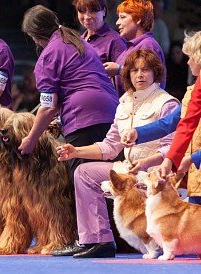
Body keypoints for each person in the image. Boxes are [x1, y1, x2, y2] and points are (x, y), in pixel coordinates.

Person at [53, 49, 178, 258]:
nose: (140, 75)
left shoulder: (167, 103)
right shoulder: (124, 102)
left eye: (145, 70)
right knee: (84, 172)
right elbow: (110, 146)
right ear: (127, 74)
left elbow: (171, 149)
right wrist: (76, 151)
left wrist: (146, 163)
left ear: (155, 73)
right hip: (127, 170)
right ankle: (97, 240)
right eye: (135, 70)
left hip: (154, 173)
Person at [19, 5, 118, 180]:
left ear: (34, 36)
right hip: (112, 110)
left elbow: (48, 107)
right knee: (111, 181)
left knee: (84, 181)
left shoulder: (48, 56)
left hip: (84, 118)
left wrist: (31, 139)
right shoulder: (78, 41)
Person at [121, 31, 201, 204]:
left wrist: (192, 159)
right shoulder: (194, 89)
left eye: (191, 57)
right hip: (194, 176)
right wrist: (137, 133)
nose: (187, 62)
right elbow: (176, 122)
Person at [103, 0, 165, 95]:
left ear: (138, 18)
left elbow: (150, 80)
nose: (117, 22)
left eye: (122, 17)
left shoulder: (147, 45)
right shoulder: (131, 46)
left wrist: (119, 70)